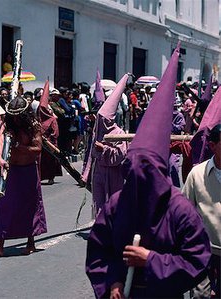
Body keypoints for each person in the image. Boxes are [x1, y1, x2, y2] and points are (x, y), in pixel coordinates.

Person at [86, 44, 211, 299]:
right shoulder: (116, 206)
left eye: (147, 175)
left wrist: (151, 260)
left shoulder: (179, 210)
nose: (139, 183)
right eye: (133, 173)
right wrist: (113, 282)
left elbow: (198, 259)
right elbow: (100, 250)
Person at [0, 95, 47, 257]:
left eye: (17, 115)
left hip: (28, 171)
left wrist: (19, 146)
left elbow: (37, 149)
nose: (15, 118)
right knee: (3, 207)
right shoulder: (7, 124)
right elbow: (0, 141)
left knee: (30, 206)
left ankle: (31, 243)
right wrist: (0, 160)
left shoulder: (34, 126)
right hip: (11, 171)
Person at [183, 124, 221, 299]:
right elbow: (184, 213)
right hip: (203, 252)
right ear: (212, 146)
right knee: (201, 295)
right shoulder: (197, 174)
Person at [82, 74, 129, 218]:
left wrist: (105, 149)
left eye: (104, 119)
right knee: (99, 203)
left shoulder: (119, 133)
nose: (101, 122)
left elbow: (120, 155)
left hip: (114, 174)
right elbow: (91, 154)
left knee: (114, 204)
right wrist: (86, 172)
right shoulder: (97, 132)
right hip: (99, 172)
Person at [38, 80, 62, 185]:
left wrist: (50, 140)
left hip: (50, 143)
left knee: (51, 161)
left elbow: (55, 132)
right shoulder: (38, 119)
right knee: (41, 161)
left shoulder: (52, 119)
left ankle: (51, 177)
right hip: (41, 143)